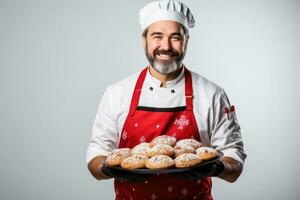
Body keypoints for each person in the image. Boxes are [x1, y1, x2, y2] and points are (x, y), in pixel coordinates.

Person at [86, 0, 247, 199]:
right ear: (144, 40)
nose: (166, 46)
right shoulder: (116, 93)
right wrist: (107, 168)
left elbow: (234, 162)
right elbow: (96, 155)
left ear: (187, 40)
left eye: (175, 37)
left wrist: (217, 167)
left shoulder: (212, 94)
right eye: (157, 36)